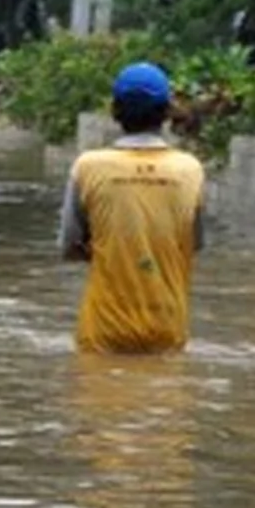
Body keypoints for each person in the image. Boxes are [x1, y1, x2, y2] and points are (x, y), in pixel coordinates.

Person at [60, 62, 206, 354]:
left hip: (103, 330)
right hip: (167, 327)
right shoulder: (190, 170)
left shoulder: (88, 167)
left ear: (115, 111)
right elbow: (195, 244)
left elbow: (68, 246)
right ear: (166, 112)